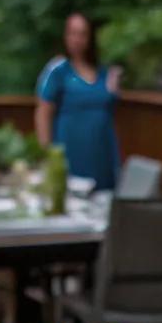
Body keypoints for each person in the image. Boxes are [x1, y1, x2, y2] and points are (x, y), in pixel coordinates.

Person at [34, 13, 120, 191]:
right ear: (65, 36)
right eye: (72, 33)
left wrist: (114, 90)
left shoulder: (104, 73)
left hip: (102, 152)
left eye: (83, 34)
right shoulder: (58, 70)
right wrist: (48, 153)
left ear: (90, 38)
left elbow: (109, 107)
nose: (77, 39)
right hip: (70, 150)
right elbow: (43, 111)